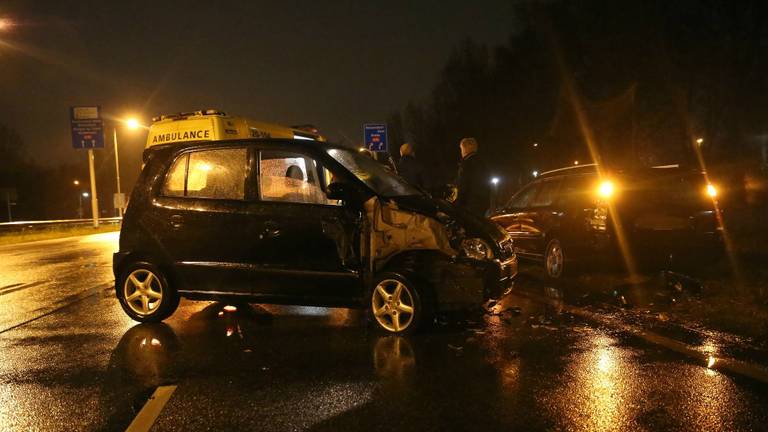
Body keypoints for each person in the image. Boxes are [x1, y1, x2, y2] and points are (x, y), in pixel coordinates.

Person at [454, 137, 490, 217]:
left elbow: (463, 185)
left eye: (461, 149)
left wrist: (457, 204)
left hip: (469, 205)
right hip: (482, 204)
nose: (461, 152)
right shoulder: (483, 163)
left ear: (465, 149)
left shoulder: (466, 164)